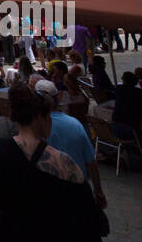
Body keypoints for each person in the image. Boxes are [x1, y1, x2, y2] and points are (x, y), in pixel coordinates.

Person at [0, 82, 101, 242]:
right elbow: (85, 210)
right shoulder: (63, 162)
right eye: (49, 116)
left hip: (11, 234)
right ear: (40, 117)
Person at [35, 79, 107, 216]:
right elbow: (91, 162)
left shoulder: (34, 128)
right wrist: (98, 191)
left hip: (49, 193)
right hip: (77, 189)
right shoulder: (75, 124)